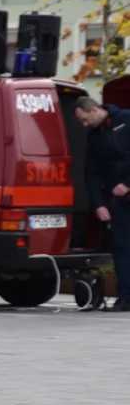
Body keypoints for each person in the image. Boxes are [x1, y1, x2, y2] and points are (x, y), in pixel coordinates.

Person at [76, 95, 130, 311]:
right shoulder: (94, 136)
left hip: (125, 190)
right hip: (118, 202)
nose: (84, 125)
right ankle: (126, 297)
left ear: (94, 110)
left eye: (85, 119)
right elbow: (91, 173)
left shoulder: (126, 120)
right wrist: (99, 204)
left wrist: (127, 184)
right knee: (121, 248)